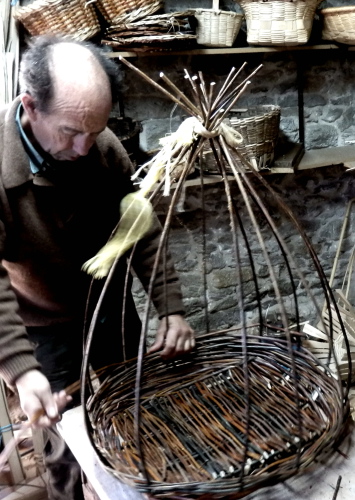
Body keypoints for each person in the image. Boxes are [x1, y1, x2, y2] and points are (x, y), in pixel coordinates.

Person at [0, 34, 195, 499]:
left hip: (110, 310)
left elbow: (139, 227)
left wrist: (171, 308)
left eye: (96, 128)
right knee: (63, 445)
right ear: (31, 106)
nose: (86, 147)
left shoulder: (102, 146)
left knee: (133, 414)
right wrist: (21, 368)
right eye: (71, 131)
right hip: (43, 330)